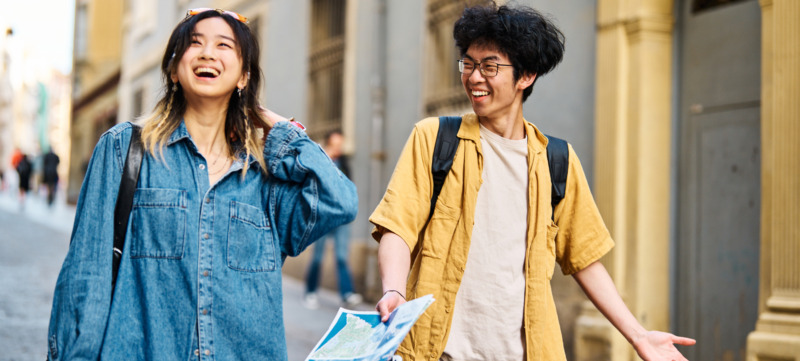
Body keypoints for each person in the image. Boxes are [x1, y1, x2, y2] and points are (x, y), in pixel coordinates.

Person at [370, 3, 695, 361]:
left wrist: (638, 335)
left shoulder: (558, 161)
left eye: (489, 66)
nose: (474, 77)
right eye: (468, 63)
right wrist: (395, 291)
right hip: (437, 351)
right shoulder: (434, 139)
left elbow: (584, 259)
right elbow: (397, 227)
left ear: (526, 76)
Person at [46, 8, 357, 361]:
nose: (208, 53)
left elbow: (340, 200)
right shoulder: (124, 150)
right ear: (174, 69)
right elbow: (86, 279)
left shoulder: (264, 177)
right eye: (195, 44)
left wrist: (278, 127)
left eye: (224, 45)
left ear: (244, 77)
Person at [303, 129, 362, 308]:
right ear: (328, 143)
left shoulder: (344, 162)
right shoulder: (320, 159)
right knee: (318, 257)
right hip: (322, 216)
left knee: (342, 256)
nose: (337, 148)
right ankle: (310, 291)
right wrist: (326, 159)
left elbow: (349, 186)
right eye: (334, 145)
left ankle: (347, 294)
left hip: (341, 219)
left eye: (340, 145)